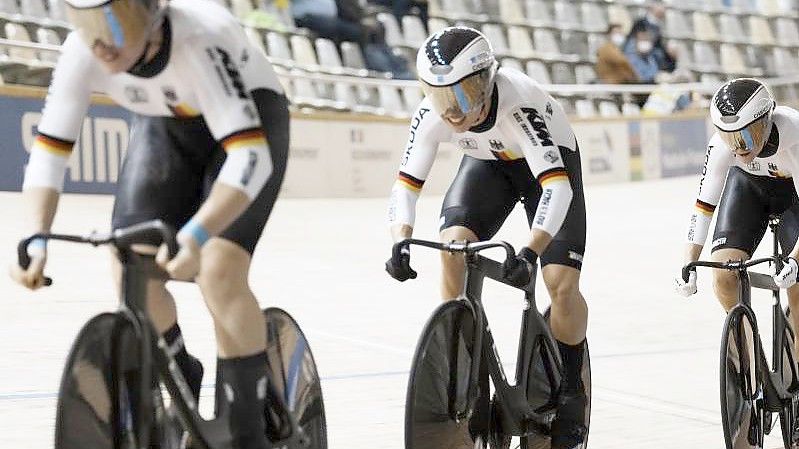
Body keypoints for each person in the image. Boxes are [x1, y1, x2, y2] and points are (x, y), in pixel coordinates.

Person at [8, 1, 289, 448]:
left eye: (113, 24)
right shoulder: (81, 51)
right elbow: (50, 148)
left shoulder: (198, 38)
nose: (98, 41)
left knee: (218, 270)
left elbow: (249, 158)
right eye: (86, 24)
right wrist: (36, 235)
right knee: (129, 265)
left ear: (152, 15)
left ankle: (247, 427)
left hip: (249, 119)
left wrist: (196, 234)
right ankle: (180, 368)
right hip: (168, 122)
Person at [385, 26, 589, 448]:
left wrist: (532, 251)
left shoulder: (518, 103)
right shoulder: (432, 112)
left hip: (547, 169)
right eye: (440, 96)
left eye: (461, 96)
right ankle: (462, 360)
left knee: (560, 282)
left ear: (485, 82)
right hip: (486, 164)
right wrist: (400, 239)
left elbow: (557, 188)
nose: (452, 112)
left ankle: (571, 389)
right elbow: (405, 185)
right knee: (452, 246)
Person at [675, 78, 799, 362]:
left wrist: (794, 259)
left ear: (766, 123)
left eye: (746, 136)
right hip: (749, 188)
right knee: (722, 273)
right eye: (729, 136)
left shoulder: (794, 132)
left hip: (794, 195)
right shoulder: (722, 147)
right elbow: (703, 207)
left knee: (798, 288)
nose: (738, 147)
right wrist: (688, 261)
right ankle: (749, 358)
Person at [627, 0, 676, 72]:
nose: (664, 10)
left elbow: (658, 48)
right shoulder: (641, 24)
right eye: (662, 6)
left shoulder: (657, 26)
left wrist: (671, 57)